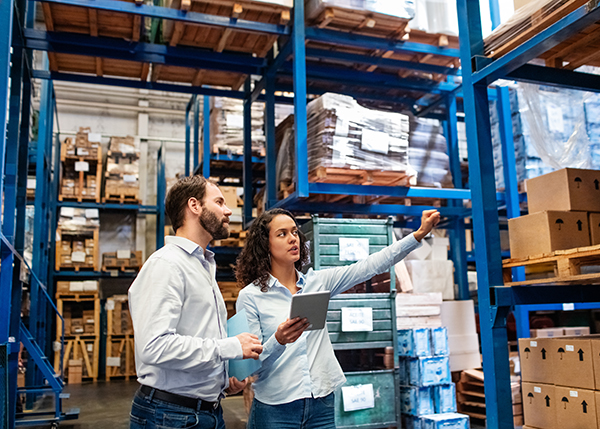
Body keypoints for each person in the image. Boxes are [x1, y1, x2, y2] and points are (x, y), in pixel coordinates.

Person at [235, 208, 440, 429]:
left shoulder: (318, 282)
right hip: (275, 410)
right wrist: (278, 340)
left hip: (321, 405)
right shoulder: (250, 296)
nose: (293, 238)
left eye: (294, 232)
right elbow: (249, 367)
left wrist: (418, 235)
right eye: (282, 234)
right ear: (265, 245)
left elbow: (371, 265)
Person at [128, 175, 263, 429]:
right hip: (170, 415)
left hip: (205, 411)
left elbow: (197, 334)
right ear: (194, 206)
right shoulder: (166, 265)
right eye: (220, 202)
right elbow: (155, 346)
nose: (228, 210)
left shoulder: (202, 265)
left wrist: (223, 379)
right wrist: (229, 348)